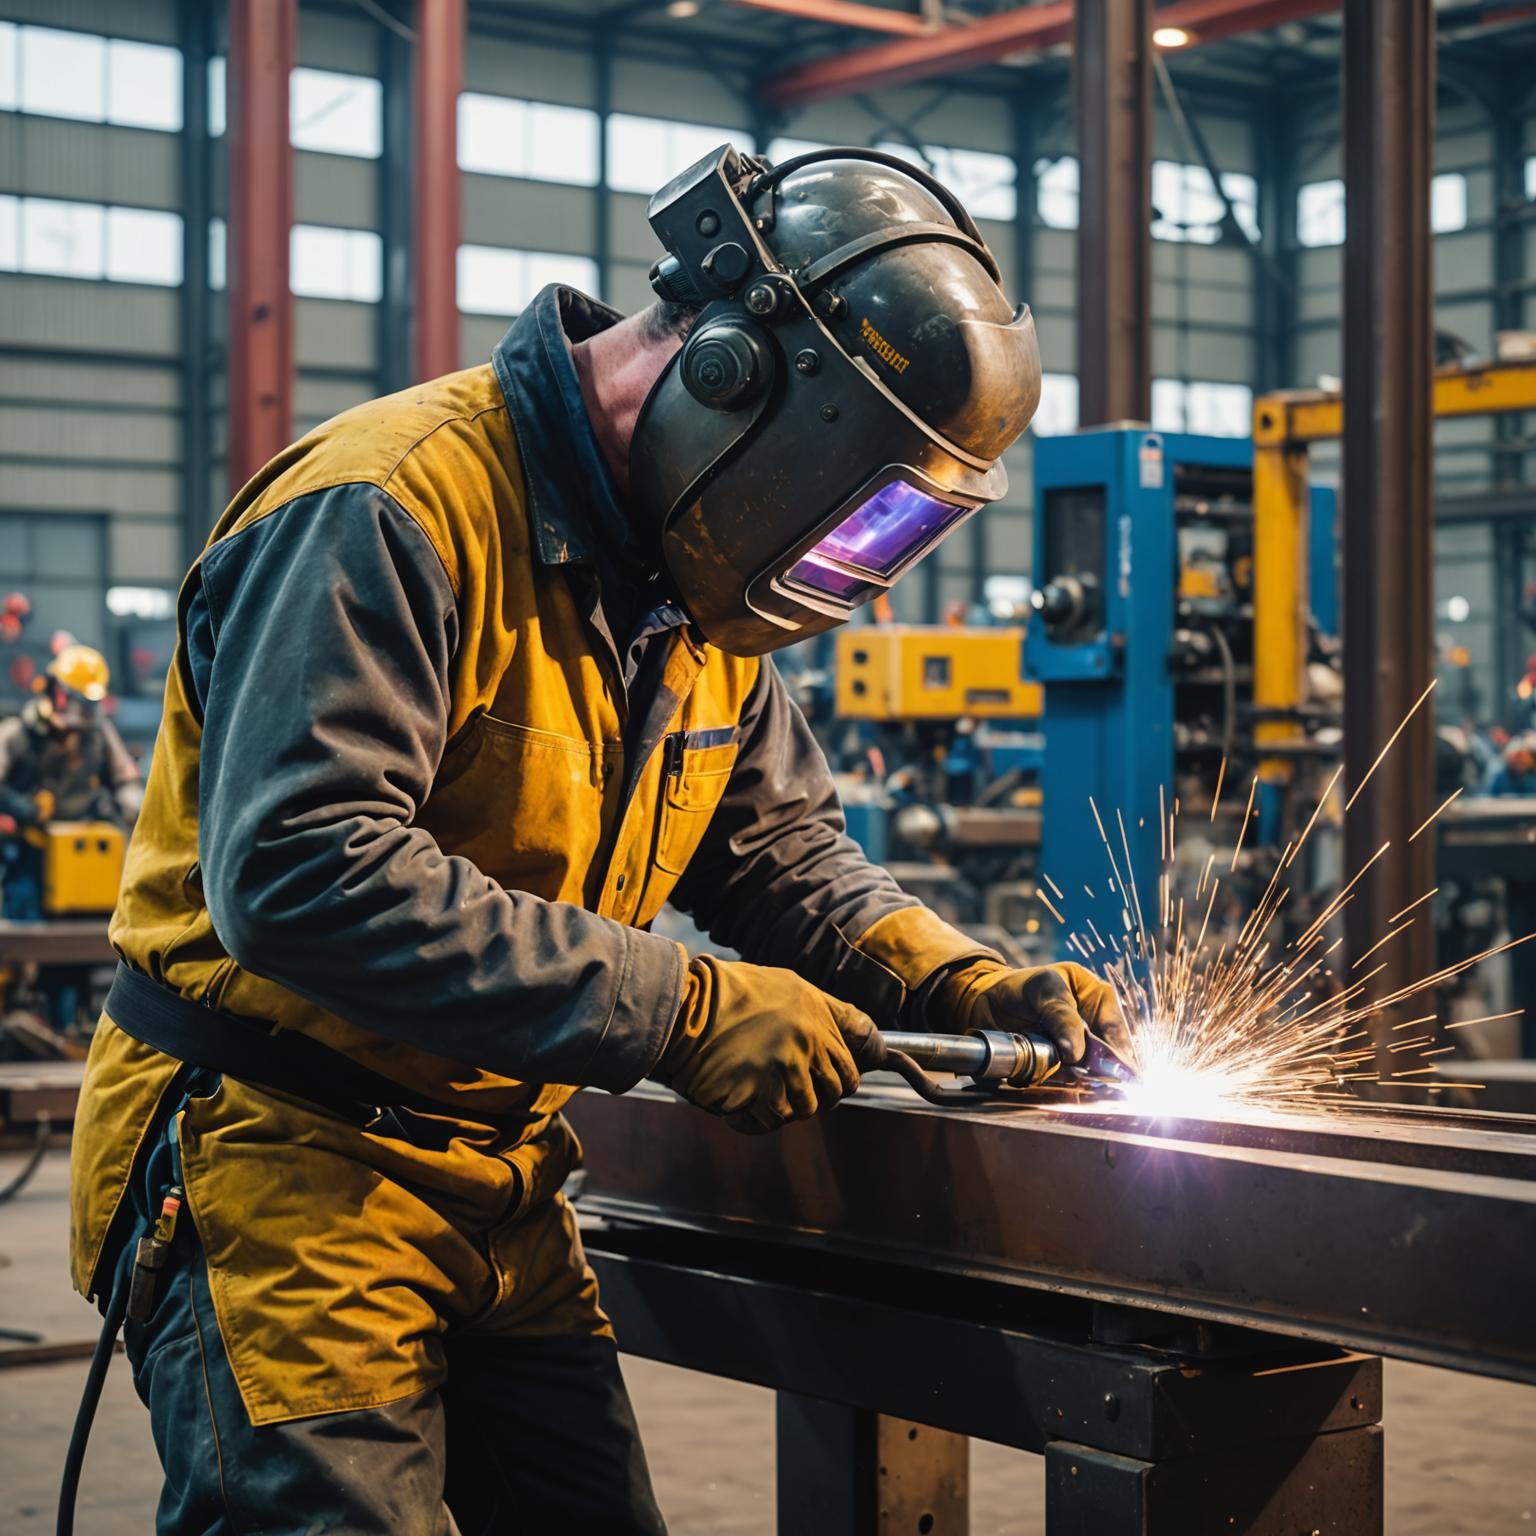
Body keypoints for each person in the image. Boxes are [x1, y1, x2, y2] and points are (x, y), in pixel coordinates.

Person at [69, 146, 1131, 1534]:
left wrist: (947, 975)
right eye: (852, 504)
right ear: (737, 383)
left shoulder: (690, 598)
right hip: (276, 1163)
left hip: (500, 1173)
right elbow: (302, 870)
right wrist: (681, 1010)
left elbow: (775, 853)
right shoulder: (390, 506)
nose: (844, 567)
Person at [0, 643, 141, 920]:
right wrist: (20, 808)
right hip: (30, 853)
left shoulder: (98, 733)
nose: (79, 711)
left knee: (97, 926)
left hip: (84, 852)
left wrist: (133, 814)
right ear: (55, 691)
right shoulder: (18, 733)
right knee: (25, 929)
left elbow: (125, 780)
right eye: (73, 698)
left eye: (87, 703)